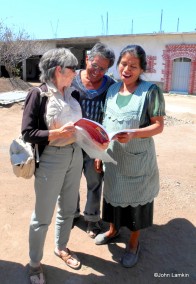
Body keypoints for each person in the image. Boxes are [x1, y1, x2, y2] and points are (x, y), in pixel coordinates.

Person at [95, 45, 165, 268]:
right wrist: (99, 153)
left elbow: (158, 126)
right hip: (114, 158)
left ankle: (134, 243)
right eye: (123, 64)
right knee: (113, 198)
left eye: (133, 66)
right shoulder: (113, 90)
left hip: (137, 159)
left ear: (142, 68)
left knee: (136, 204)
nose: (127, 69)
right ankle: (113, 230)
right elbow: (105, 124)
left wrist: (134, 133)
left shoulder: (150, 91)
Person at [22, 48, 83, 284]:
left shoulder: (74, 94)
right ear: (59, 70)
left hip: (75, 155)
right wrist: (57, 132)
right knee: (42, 216)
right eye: (72, 69)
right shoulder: (39, 94)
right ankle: (35, 264)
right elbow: (28, 133)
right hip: (51, 158)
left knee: (68, 208)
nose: (75, 73)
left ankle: (62, 247)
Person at [71, 42, 115, 238]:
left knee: (94, 181)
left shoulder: (111, 86)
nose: (97, 71)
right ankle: (71, 214)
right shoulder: (71, 78)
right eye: (94, 65)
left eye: (102, 68)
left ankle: (92, 219)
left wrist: (103, 148)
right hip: (70, 141)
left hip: (95, 144)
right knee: (69, 181)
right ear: (87, 59)